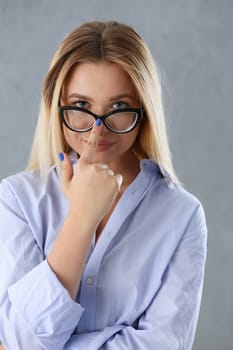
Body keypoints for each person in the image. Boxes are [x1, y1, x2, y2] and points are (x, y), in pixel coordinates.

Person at [0, 21, 207, 350]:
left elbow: (164, 344)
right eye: (81, 107)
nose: (97, 131)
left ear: (144, 111)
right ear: (57, 104)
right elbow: (23, 340)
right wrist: (82, 218)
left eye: (119, 108)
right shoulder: (17, 200)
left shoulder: (181, 215)